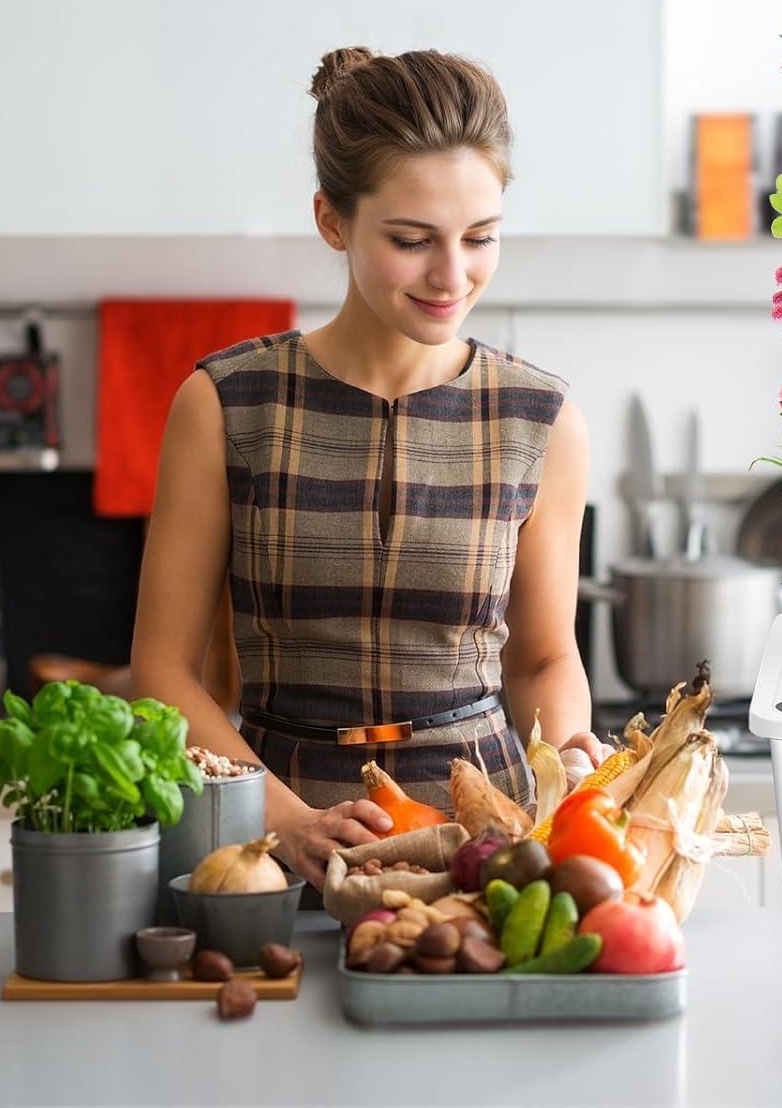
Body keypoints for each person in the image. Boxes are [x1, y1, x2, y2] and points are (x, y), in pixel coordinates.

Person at [130, 46, 610, 888]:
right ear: (332, 221)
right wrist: (285, 824)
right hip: (263, 857)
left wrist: (570, 757)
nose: (451, 276)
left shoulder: (543, 421)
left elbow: (540, 661)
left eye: (481, 238)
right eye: (412, 240)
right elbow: (163, 675)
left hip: (487, 860)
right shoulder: (226, 405)